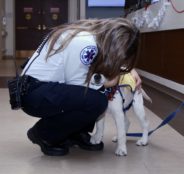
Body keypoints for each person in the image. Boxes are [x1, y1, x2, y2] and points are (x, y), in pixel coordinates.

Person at [21, 17, 140, 156]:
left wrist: (128, 69)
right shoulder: (86, 44)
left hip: (37, 88)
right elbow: (79, 85)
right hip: (33, 94)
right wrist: (109, 83)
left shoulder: (89, 35)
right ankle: (44, 134)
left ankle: (74, 132)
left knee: (90, 96)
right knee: (97, 100)